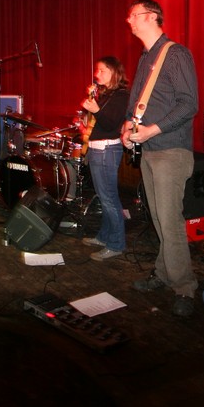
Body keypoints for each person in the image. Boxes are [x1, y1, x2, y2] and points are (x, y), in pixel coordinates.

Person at [120, 0, 200, 318]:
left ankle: (185, 287)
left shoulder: (176, 54)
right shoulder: (146, 58)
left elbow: (188, 104)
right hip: (150, 150)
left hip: (170, 150)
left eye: (134, 15)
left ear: (152, 17)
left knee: (170, 222)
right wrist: (128, 127)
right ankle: (164, 273)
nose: (129, 21)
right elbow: (137, 104)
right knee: (157, 218)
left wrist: (152, 130)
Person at [79, 56, 130, 261]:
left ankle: (116, 244)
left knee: (109, 199)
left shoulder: (121, 95)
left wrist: (96, 110)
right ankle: (104, 236)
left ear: (114, 72)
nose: (96, 74)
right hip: (97, 149)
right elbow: (98, 122)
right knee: (104, 197)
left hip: (107, 150)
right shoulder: (105, 94)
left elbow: (110, 124)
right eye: (97, 70)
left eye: (102, 71)